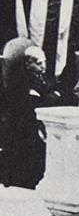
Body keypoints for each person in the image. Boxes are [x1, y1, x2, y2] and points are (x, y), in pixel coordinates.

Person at [5, 46, 61, 189]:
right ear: (29, 63)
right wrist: (51, 96)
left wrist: (48, 96)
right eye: (39, 64)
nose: (43, 67)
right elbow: (33, 103)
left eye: (44, 62)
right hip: (24, 124)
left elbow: (56, 93)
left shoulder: (43, 76)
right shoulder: (20, 79)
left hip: (42, 119)